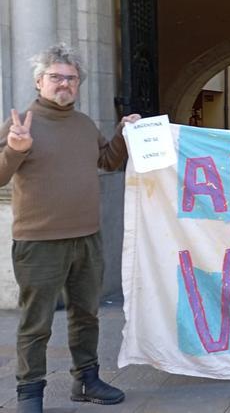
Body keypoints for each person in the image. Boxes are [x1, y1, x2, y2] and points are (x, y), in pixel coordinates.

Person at [0, 44, 140, 412]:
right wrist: (15, 149)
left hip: (86, 237)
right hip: (39, 242)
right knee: (37, 323)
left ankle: (86, 379)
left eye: (71, 78)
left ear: (78, 84)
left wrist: (124, 134)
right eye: (56, 77)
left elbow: (108, 161)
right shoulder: (21, 124)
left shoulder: (83, 124)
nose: (64, 84)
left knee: (86, 314)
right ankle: (29, 394)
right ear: (38, 82)